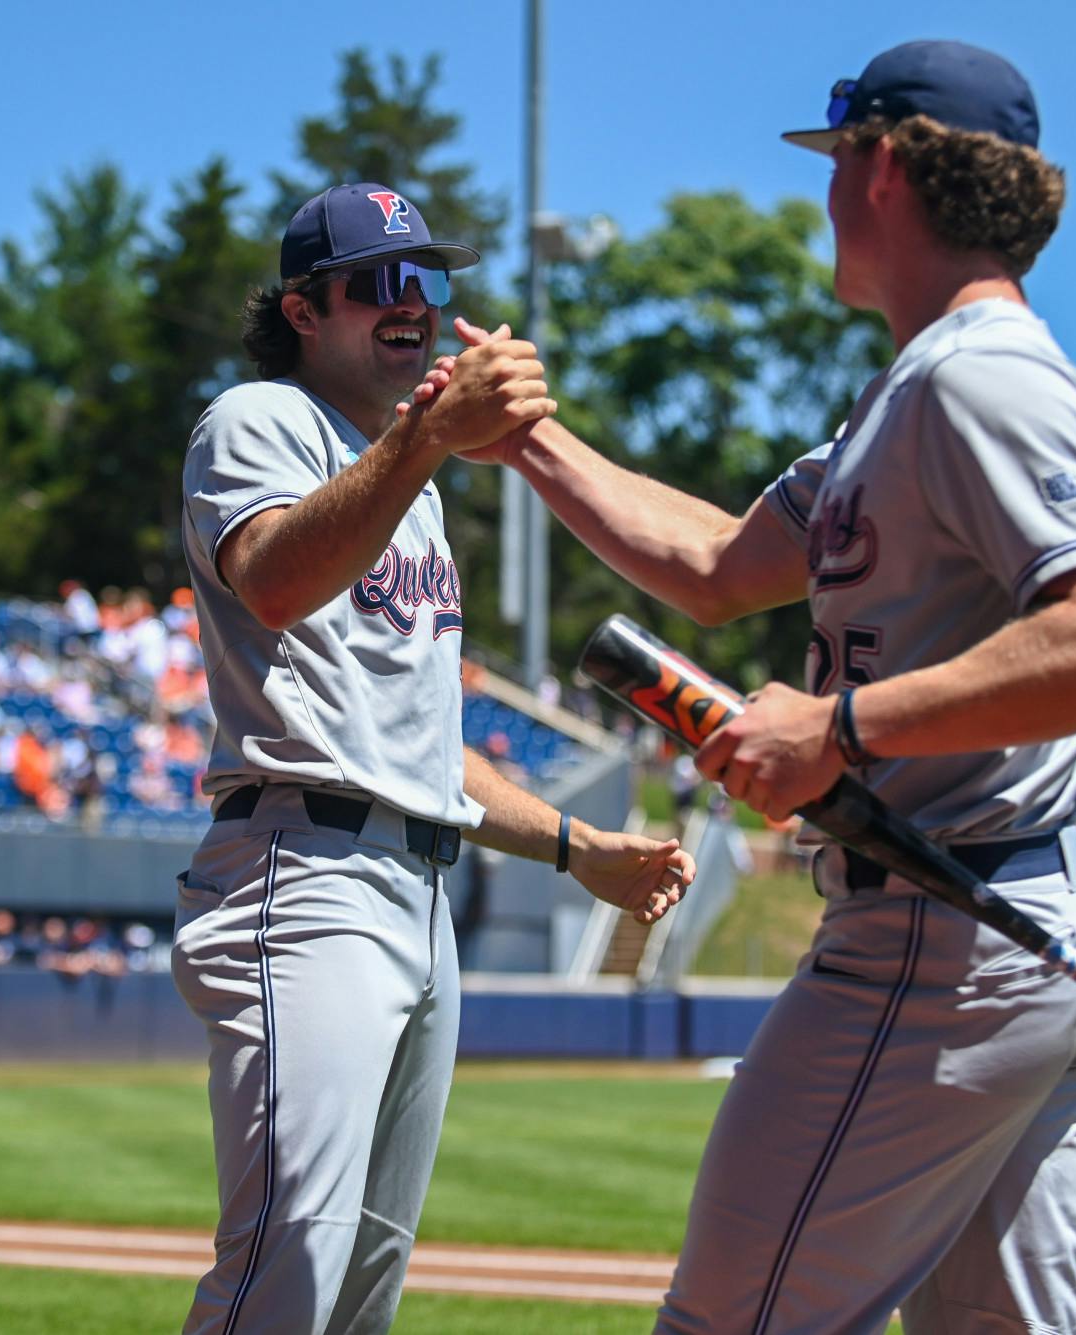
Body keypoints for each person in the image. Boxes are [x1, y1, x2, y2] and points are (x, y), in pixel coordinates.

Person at [421, 41, 1076, 1333]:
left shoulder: (978, 372)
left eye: (835, 165)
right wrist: (529, 441)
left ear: (882, 167)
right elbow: (715, 565)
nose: (825, 193)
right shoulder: (908, 393)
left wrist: (836, 726)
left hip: (946, 926)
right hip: (1017, 910)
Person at [172, 182, 695, 1335]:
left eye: (429, 281)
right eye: (377, 284)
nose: (410, 306)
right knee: (287, 1267)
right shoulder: (260, 419)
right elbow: (270, 577)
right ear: (304, 310)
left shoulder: (405, 487)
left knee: (365, 1282)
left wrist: (576, 847)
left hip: (415, 892)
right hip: (301, 870)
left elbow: (423, 746)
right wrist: (426, 435)